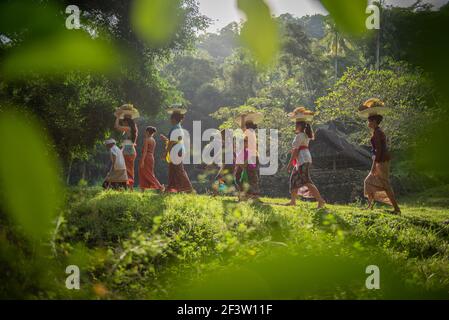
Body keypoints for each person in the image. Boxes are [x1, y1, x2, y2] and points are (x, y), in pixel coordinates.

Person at [286, 107, 325, 209]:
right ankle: (293, 201)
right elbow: (299, 148)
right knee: (294, 179)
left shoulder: (300, 136)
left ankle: (320, 201)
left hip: (302, 159)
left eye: (296, 124)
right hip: (303, 158)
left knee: (307, 181)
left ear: (298, 125)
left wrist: (289, 164)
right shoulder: (304, 135)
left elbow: (296, 151)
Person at [363, 113, 401, 214]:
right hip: (380, 159)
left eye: (370, 121)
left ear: (374, 122)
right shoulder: (376, 132)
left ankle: (397, 209)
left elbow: (379, 149)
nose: (368, 123)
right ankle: (370, 206)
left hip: (382, 160)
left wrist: (375, 164)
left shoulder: (378, 133)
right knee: (368, 181)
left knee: (385, 184)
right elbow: (377, 149)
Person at [160, 109, 193, 193]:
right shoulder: (178, 127)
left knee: (178, 169)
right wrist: (166, 140)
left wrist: (165, 152)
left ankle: (188, 188)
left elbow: (171, 143)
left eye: (171, 118)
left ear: (174, 119)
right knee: (172, 170)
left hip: (176, 151)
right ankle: (171, 189)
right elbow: (173, 140)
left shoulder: (176, 128)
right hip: (177, 150)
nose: (170, 120)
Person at [234, 113, 262, 201]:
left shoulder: (249, 132)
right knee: (248, 176)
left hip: (250, 157)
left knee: (248, 176)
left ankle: (250, 195)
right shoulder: (252, 133)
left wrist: (242, 117)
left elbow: (242, 128)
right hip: (252, 156)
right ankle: (248, 194)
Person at [114, 113, 138, 190]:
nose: (122, 123)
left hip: (127, 151)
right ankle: (129, 187)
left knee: (126, 169)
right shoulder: (133, 128)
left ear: (127, 122)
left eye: (123, 122)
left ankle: (126, 187)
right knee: (130, 169)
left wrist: (117, 117)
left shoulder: (128, 128)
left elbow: (116, 126)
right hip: (131, 150)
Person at [139, 126, 164, 192]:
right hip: (151, 157)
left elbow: (145, 151)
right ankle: (143, 189)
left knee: (147, 173)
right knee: (147, 173)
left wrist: (142, 161)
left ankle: (159, 186)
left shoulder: (147, 139)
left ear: (147, 132)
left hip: (146, 157)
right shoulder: (153, 140)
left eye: (145, 132)